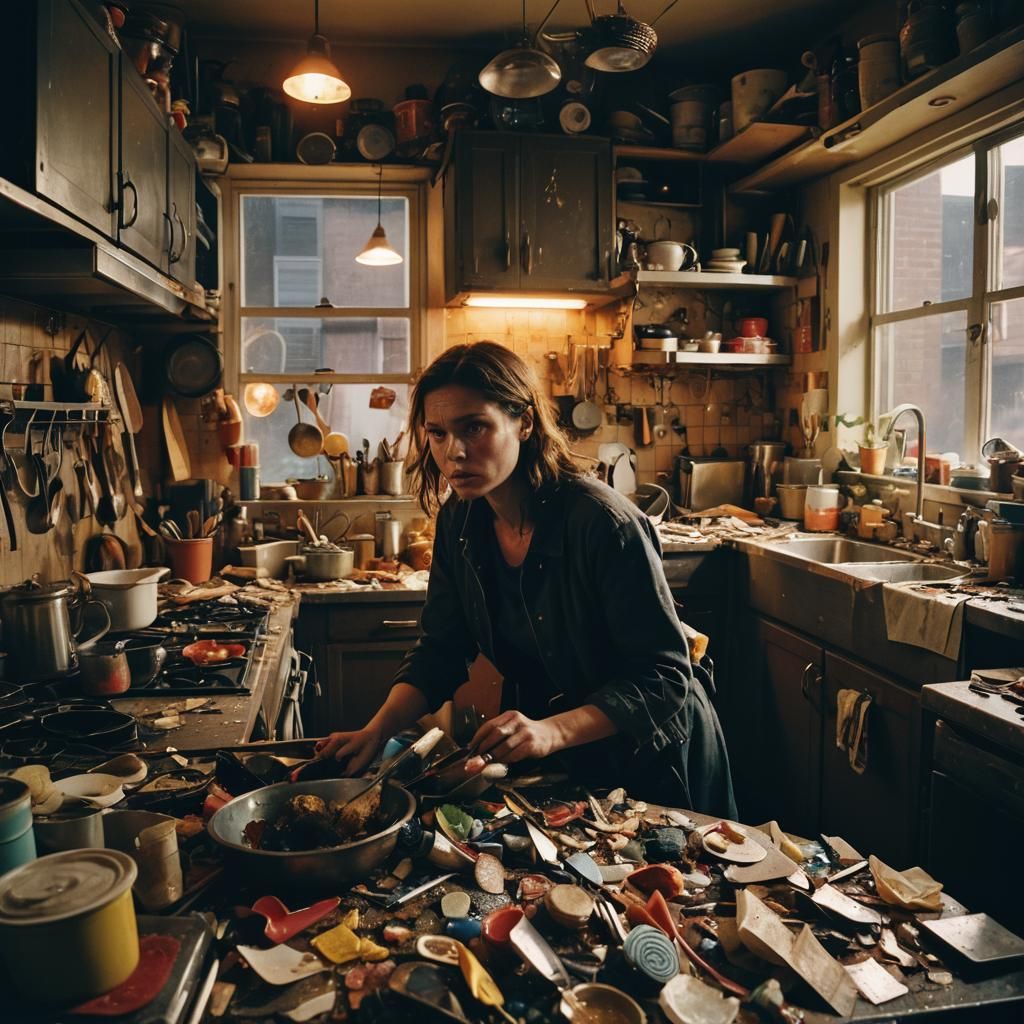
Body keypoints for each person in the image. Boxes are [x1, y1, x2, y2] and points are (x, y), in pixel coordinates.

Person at [315, 341, 736, 817]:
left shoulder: (602, 523)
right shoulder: (460, 521)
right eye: (436, 433)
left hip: (650, 754)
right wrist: (377, 730)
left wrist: (551, 730)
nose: (453, 452)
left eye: (475, 427)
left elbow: (663, 677)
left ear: (525, 422)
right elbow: (441, 649)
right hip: (557, 753)